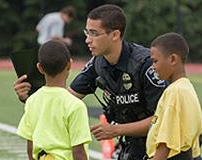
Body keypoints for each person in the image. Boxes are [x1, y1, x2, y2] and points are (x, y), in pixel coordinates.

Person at [14, 4, 168, 160]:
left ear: (115, 35)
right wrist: (30, 98)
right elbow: (63, 99)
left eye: (94, 33)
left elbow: (163, 120)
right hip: (132, 145)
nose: (87, 39)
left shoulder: (146, 65)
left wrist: (117, 130)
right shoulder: (97, 64)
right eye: (87, 32)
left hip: (163, 146)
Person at [16, 40, 92, 160]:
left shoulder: (31, 100)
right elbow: (78, 152)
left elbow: (30, 146)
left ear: (40, 68)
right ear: (69, 64)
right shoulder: (76, 105)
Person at [145, 32, 202, 160]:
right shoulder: (187, 88)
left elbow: (166, 143)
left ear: (172, 59)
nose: (153, 67)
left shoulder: (175, 91)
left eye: (155, 61)